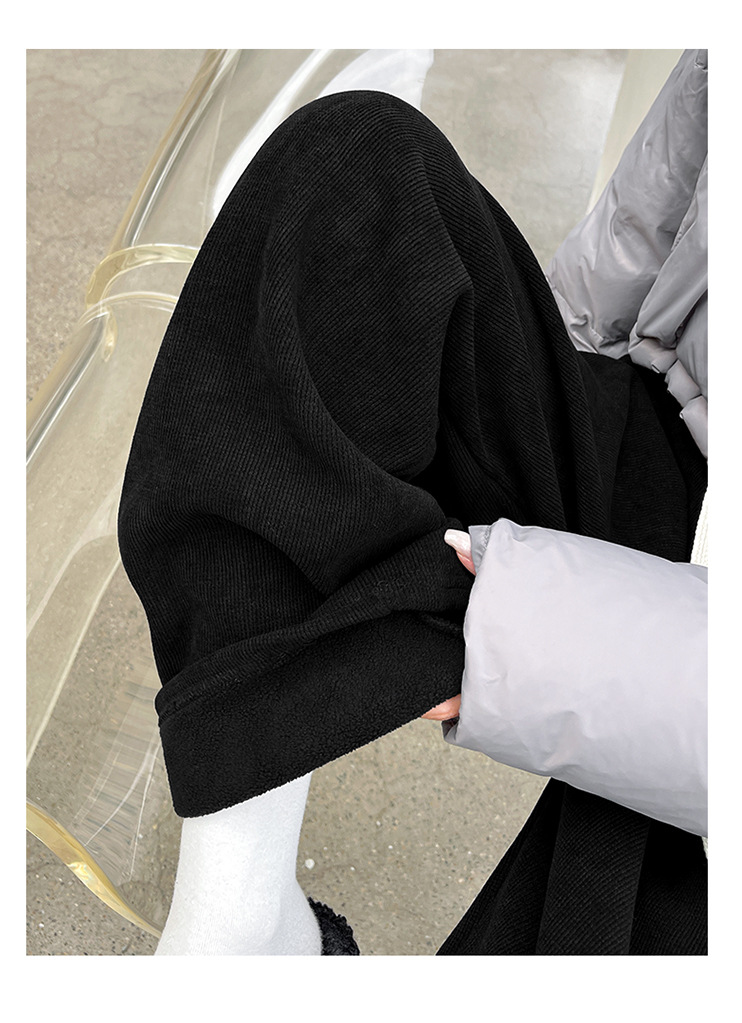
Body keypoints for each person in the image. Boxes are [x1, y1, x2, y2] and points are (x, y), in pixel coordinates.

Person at [118, 52, 707, 956]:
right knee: (356, 174)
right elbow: (675, 182)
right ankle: (237, 924)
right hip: (671, 417)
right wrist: (548, 354)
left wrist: (540, 636)